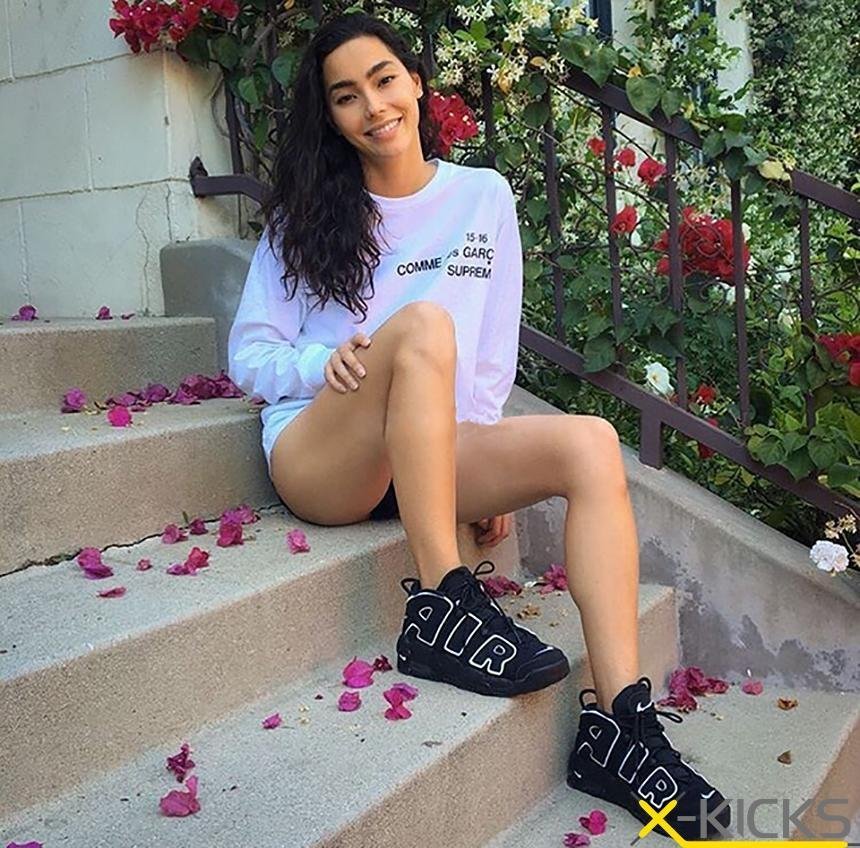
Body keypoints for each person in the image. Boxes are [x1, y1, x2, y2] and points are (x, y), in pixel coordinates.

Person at [227, 11, 729, 839]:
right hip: (325, 454)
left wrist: (477, 468)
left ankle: (621, 728)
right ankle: (443, 606)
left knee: (590, 442)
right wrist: (321, 365)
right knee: (423, 327)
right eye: (346, 97)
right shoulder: (303, 217)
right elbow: (248, 353)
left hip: (426, 452)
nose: (373, 107)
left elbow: (491, 355)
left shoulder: (481, 195)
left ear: (416, 82)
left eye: (384, 80)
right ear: (333, 118)